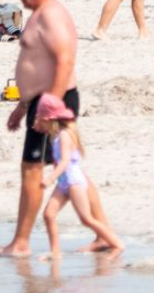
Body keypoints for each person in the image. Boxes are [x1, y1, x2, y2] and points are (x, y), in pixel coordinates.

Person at [0, 0, 105, 258]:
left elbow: (64, 62)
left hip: (55, 102)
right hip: (43, 102)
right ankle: (102, 233)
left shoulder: (52, 16)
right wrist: (23, 105)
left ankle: (21, 243)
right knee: (71, 169)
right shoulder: (37, 16)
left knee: (31, 171)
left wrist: (47, 109)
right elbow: (38, 65)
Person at [34, 93, 123, 256]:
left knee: (86, 219)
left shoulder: (64, 135)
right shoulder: (55, 135)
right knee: (48, 214)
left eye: (39, 119)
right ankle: (55, 252)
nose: (37, 122)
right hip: (63, 183)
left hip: (74, 181)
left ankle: (116, 244)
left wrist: (50, 178)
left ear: (48, 120)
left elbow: (65, 161)